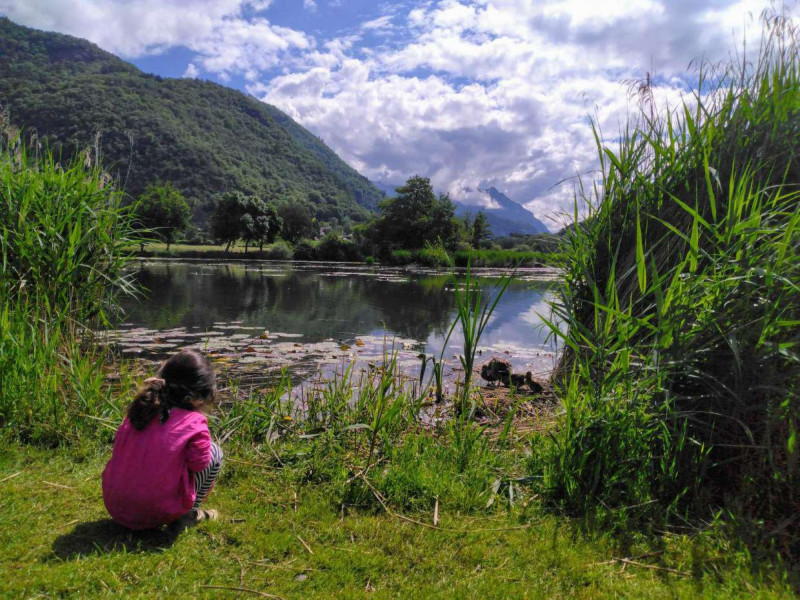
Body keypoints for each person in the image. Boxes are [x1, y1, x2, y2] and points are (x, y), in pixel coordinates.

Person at [102, 349, 223, 530]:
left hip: (116, 506)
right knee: (215, 452)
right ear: (199, 396)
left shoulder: (140, 409)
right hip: (157, 512)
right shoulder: (195, 423)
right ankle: (188, 513)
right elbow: (199, 465)